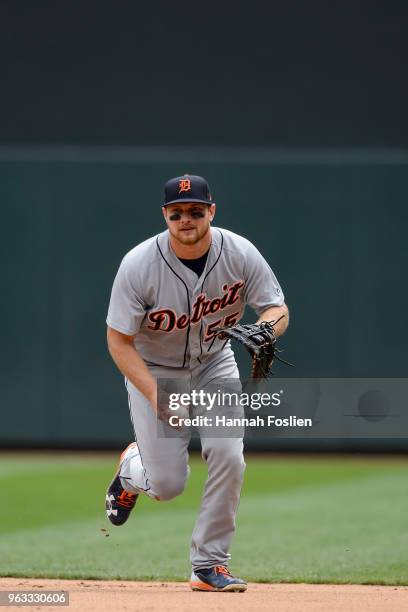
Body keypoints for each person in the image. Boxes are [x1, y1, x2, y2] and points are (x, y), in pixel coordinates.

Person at [105, 174, 289, 592]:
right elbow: (118, 341)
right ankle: (132, 471)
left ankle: (209, 564)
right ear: (165, 216)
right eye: (177, 213)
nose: (186, 219)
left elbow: (276, 307)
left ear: (211, 211)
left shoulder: (240, 252)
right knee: (168, 485)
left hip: (214, 363)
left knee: (229, 456)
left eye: (195, 211)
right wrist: (156, 395)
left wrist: (266, 327)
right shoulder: (139, 265)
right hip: (154, 367)